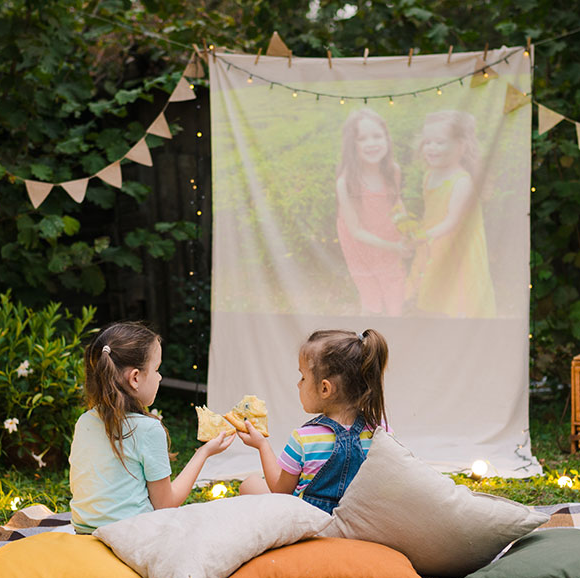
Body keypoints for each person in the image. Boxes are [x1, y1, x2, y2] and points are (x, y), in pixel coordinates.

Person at [68, 322, 234, 534]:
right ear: (135, 378)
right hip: (131, 537)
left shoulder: (84, 421)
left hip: (84, 532)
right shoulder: (148, 429)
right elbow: (166, 504)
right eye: (156, 369)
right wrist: (204, 453)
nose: (160, 377)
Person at [237, 328, 389, 514]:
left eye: (303, 377)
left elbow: (280, 491)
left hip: (308, 524)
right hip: (357, 521)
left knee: (250, 484)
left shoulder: (304, 438)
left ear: (325, 389)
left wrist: (262, 446)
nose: (298, 384)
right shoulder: (381, 430)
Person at [407, 110, 496, 318]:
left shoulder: (461, 181)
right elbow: (432, 211)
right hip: (437, 241)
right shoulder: (429, 175)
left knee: (459, 294)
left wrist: (422, 236)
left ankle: (459, 329)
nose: (432, 148)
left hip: (458, 248)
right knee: (436, 293)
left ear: (462, 146)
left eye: (440, 142)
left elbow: (451, 222)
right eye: (428, 142)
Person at [335, 109, 411, 317]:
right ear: (353, 146)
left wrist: (406, 231)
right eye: (362, 139)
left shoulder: (392, 170)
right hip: (361, 244)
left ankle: (395, 326)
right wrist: (393, 247)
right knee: (371, 297)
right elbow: (356, 231)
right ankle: (365, 341)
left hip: (388, 234)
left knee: (395, 287)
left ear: (386, 139)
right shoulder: (346, 183)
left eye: (377, 136)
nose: (372, 144)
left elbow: (396, 203)